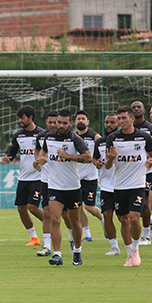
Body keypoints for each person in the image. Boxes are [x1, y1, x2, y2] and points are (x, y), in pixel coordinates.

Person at [37, 109, 92, 266]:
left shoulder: (75, 139)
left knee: (74, 222)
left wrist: (67, 156)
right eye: (57, 122)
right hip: (54, 186)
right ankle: (57, 254)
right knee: (55, 219)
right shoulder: (49, 137)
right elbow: (44, 153)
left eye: (63, 123)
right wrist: (40, 160)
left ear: (70, 123)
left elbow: (88, 158)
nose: (59, 125)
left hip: (73, 187)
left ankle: (77, 251)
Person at [105, 106, 152, 267]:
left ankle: (135, 250)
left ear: (132, 119)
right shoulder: (113, 138)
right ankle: (129, 254)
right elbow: (107, 166)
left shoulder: (143, 137)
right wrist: (110, 158)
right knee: (123, 220)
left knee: (135, 218)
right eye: (119, 119)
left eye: (123, 118)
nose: (121, 121)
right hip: (119, 186)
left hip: (137, 184)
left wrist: (151, 161)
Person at [2, 105, 45, 246]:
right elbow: (12, 153)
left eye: (22, 118)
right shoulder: (18, 135)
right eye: (19, 118)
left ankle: (52, 224)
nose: (20, 121)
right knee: (21, 208)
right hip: (23, 178)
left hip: (38, 177)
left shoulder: (42, 134)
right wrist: (7, 158)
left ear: (30, 118)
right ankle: (34, 238)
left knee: (32, 207)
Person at [92, 114, 122, 256]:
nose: (108, 125)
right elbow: (95, 159)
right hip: (106, 186)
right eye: (106, 122)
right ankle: (114, 247)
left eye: (112, 122)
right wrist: (96, 162)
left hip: (123, 185)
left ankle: (132, 246)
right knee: (107, 215)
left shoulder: (123, 140)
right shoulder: (100, 142)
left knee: (124, 218)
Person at [75, 110, 105, 243]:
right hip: (75, 177)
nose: (80, 121)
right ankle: (86, 234)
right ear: (75, 122)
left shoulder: (94, 136)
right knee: (78, 206)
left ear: (87, 122)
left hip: (90, 177)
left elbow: (102, 151)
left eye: (83, 119)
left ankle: (104, 222)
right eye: (78, 119)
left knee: (89, 207)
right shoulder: (72, 137)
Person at [34, 111, 58, 257]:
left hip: (63, 181)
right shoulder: (42, 136)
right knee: (48, 213)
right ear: (46, 122)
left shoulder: (68, 138)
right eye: (51, 122)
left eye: (56, 122)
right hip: (46, 180)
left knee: (67, 216)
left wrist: (47, 158)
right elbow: (38, 150)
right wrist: (38, 160)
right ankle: (47, 246)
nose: (53, 125)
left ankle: (72, 239)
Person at [132, 101, 152, 244]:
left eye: (138, 107)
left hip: (148, 171)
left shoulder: (150, 129)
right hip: (133, 172)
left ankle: (146, 235)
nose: (136, 109)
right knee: (136, 205)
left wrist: (151, 160)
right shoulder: (128, 128)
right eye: (133, 108)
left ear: (143, 110)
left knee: (145, 203)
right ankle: (151, 221)